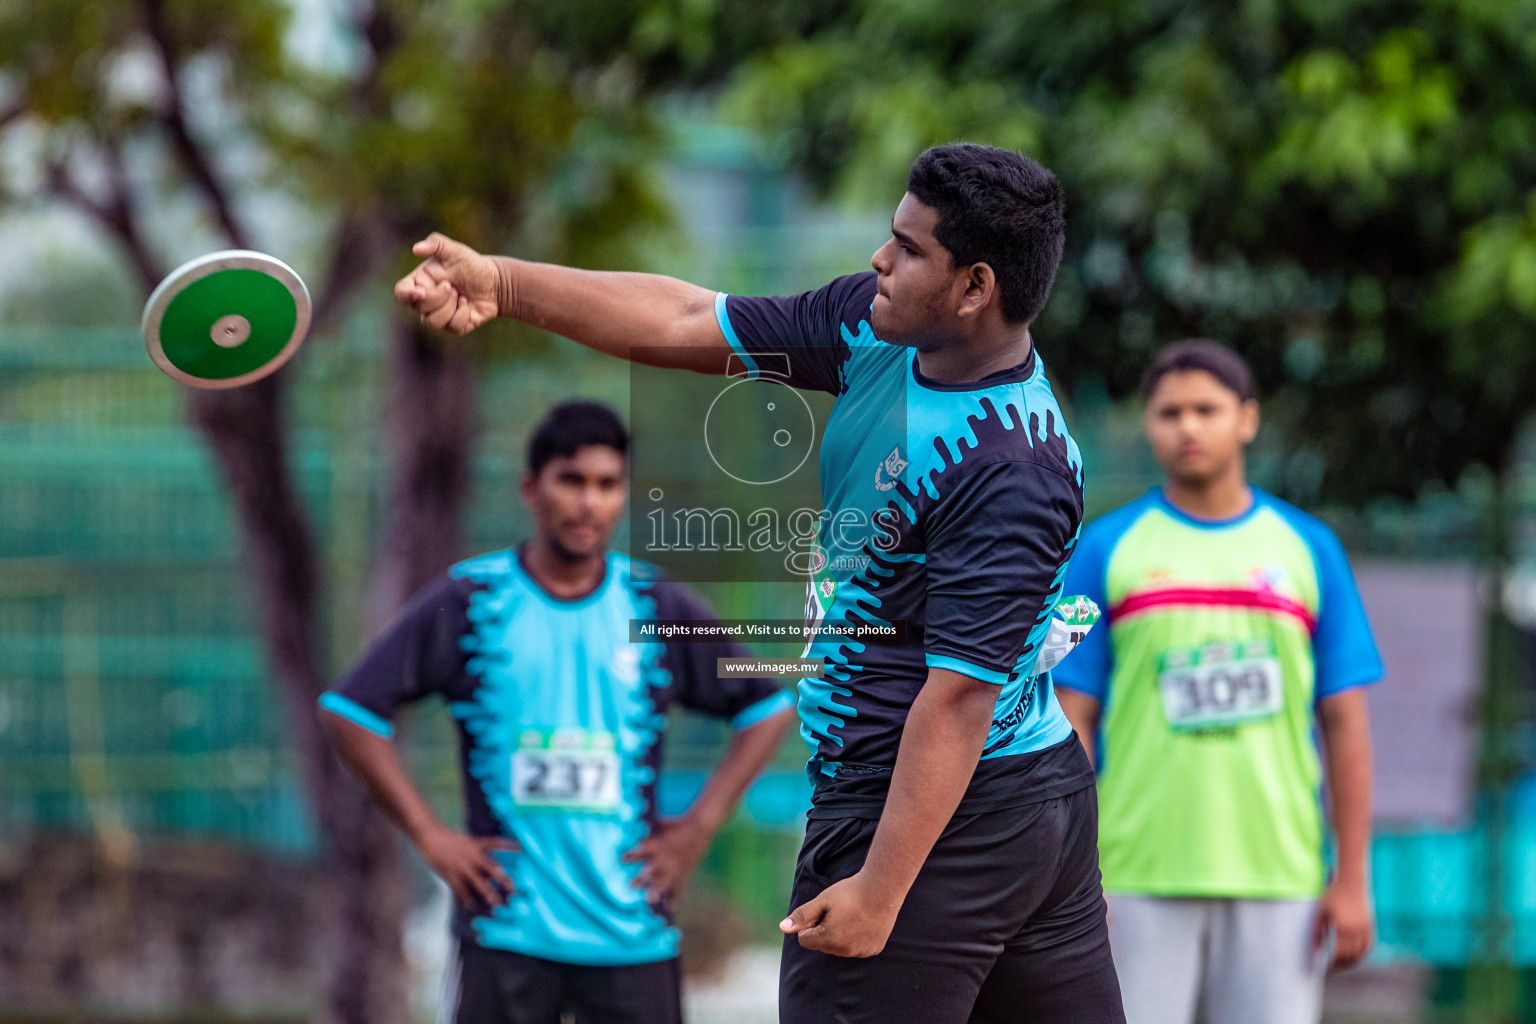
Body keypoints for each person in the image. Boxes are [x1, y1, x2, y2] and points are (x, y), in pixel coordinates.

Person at [395, 143, 1125, 1024]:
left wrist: (881, 891)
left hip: (928, 812)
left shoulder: (1012, 461)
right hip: (1017, 795)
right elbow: (685, 318)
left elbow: (960, 699)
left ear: (974, 287)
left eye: (907, 247)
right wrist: (504, 283)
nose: (878, 260)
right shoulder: (877, 331)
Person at [319, 401, 795, 1024]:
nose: (588, 503)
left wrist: (699, 827)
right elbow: (350, 710)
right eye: (571, 480)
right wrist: (431, 837)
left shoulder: (654, 604)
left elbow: (768, 703)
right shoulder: (473, 600)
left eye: (607, 485)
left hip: (631, 927)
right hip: (506, 927)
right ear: (530, 488)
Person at [1053, 340, 1383, 1024]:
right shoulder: (1105, 549)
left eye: (1207, 409)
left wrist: (1351, 879)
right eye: (1170, 412)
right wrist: (1077, 871)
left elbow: (1346, 722)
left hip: (1280, 874)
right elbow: (1069, 715)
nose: (1189, 427)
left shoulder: (1308, 547)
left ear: (1248, 419)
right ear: (1148, 424)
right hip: (1133, 873)